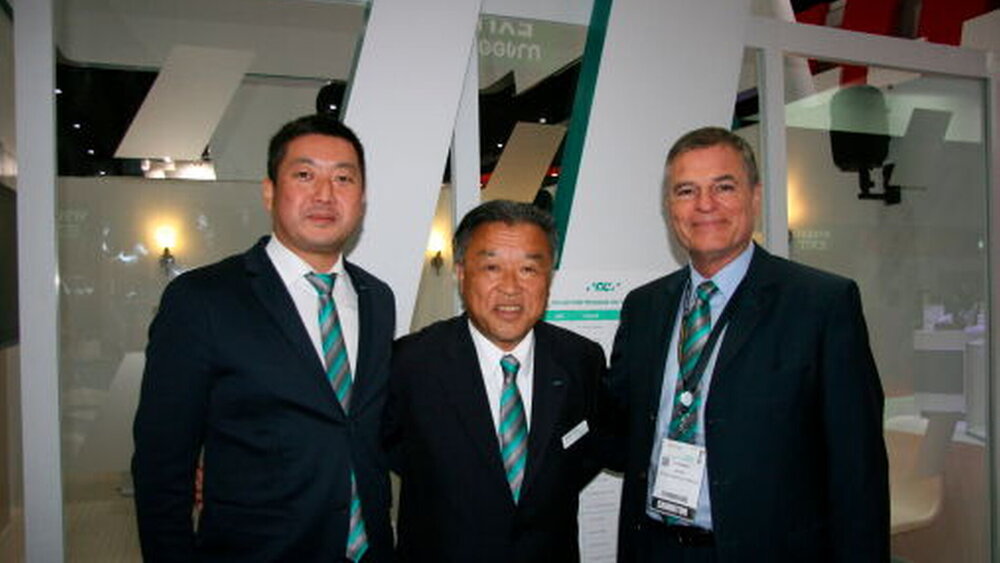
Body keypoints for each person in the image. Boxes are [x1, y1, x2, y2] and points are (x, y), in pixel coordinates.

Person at [608, 127, 889, 562]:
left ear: (755, 196)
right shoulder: (644, 307)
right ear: (669, 207)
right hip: (655, 548)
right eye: (686, 191)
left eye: (724, 187)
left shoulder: (821, 304)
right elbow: (616, 428)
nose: (705, 204)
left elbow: (858, 469)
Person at [132, 114, 395, 562]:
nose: (325, 194)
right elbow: (162, 466)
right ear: (270, 191)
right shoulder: (203, 300)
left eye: (344, 178)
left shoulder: (377, 298)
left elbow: (364, 426)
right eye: (305, 175)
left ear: (362, 198)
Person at [384, 199, 608, 562]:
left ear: (548, 278)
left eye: (528, 269)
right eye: (492, 267)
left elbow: (586, 456)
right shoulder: (410, 364)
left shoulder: (581, 359)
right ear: (461, 274)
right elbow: (393, 454)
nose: (510, 288)